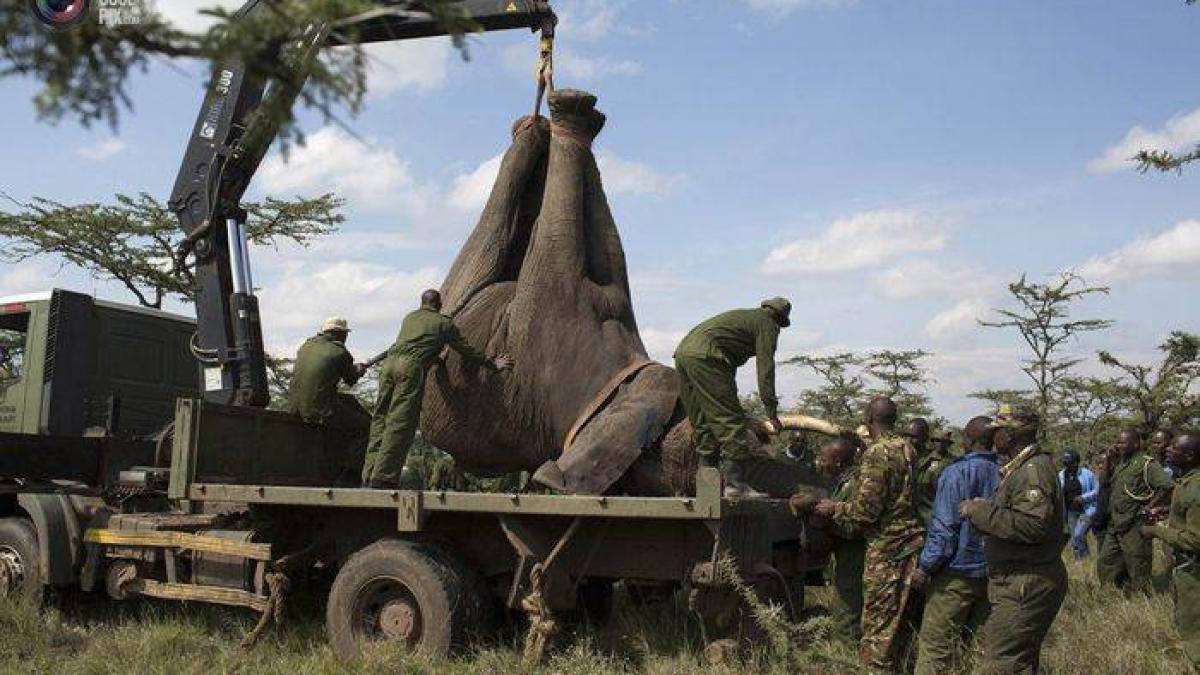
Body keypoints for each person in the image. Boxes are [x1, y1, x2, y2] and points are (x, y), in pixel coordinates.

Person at [814, 397, 925, 672]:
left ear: (868, 418)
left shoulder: (877, 453)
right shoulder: (908, 448)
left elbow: (866, 511)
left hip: (887, 549)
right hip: (911, 545)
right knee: (900, 626)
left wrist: (834, 507)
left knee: (877, 630)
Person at [362, 290, 513, 489]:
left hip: (388, 367)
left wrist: (434, 357)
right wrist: (492, 364)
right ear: (439, 304)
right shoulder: (444, 324)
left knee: (380, 418)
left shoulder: (410, 317)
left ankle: (369, 472)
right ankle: (383, 478)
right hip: (409, 369)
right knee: (400, 422)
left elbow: (414, 344)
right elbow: (466, 350)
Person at [960, 404, 1066, 675]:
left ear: (1009, 435)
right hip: (1019, 578)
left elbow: (1034, 525)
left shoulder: (1033, 471)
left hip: (1025, 582)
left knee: (1003, 664)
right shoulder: (1020, 468)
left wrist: (982, 513)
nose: (992, 438)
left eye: (997, 431)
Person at [674, 297, 792, 499]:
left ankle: (705, 487)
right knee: (731, 422)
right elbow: (766, 370)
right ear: (779, 319)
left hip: (684, 354)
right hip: (709, 357)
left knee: (702, 423)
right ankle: (736, 485)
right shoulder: (767, 325)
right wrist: (772, 412)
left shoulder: (744, 317)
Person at [911, 415, 999, 675]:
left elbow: (945, 529)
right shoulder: (1005, 471)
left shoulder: (956, 472)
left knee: (935, 650)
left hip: (954, 575)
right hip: (993, 572)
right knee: (978, 649)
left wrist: (925, 567)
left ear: (967, 440)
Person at [1141, 433, 1200, 670]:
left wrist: (1157, 531)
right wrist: (1166, 512)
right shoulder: (1186, 481)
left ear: (1189, 455)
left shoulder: (1195, 489)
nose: (1167, 449)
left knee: (1193, 627)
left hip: (1193, 570)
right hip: (1185, 568)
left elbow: (1196, 541)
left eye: (1174, 447)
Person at [289, 317, 372, 485]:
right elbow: (351, 380)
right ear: (339, 334)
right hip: (320, 410)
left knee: (349, 400)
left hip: (296, 406)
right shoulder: (339, 351)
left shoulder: (306, 346)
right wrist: (359, 370)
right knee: (366, 426)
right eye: (345, 334)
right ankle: (349, 473)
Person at [798, 436, 864, 642]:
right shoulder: (842, 481)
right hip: (845, 554)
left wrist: (827, 518)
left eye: (824, 458)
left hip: (853, 555)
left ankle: (845, 654)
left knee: (847, 605)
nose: (820, 462)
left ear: (838, 461)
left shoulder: (853, 484)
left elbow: (856, 524)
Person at [1096, 428, 1173, 593]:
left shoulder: (1147, 464)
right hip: (1115, 522)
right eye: (1118, 442)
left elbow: (1166, 486)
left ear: (1136, 444)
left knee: (1137, 564)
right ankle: (1109, 593)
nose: (1119, 445)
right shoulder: (1120, 463)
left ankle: (1140, 598)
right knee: (1106, 560)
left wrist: (1150, 505)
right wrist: (1109, 460)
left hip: (1134, 523)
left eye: (1123, 442)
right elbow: (1103, 482)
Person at [910, 417, 953, 525]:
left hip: (934, 516)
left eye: (943, 441)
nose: (939, 444)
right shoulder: (921, 458)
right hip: (915, 515)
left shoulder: (951, 463)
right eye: (937, 440)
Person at [1058, 450, 1099, 559]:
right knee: (1074, 539)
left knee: (1078, 534)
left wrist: (1083, 498)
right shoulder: (1061, 475)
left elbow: (1097, 490)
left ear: (1076, 462)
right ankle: (1080, 560)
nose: (1066, 465)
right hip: (1070, 511)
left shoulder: (1087, 474)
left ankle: (1084, 557)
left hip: (1086, 510)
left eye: (1069, 462)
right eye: (1065, 462)